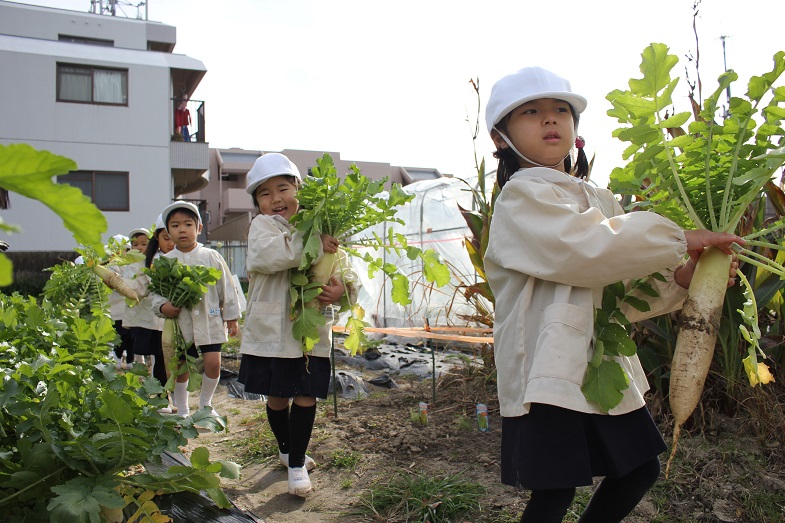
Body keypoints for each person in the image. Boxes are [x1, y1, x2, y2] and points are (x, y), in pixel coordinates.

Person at [482, 66, 744, 523]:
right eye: (531, 112)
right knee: (555, 492)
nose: (550, 119)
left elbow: (620, 287)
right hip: (546, 366)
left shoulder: (599, 199)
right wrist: (679, 238)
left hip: (599, 360)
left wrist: (684, 279)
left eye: (560, 110)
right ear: (501, 138)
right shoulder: (521, 198)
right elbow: (588, 250)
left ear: (575, 128)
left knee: (639, 469)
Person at [237, 153, 358, 497]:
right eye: (265, 194)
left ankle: (296, 464)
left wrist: (342, 291)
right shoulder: (262, 228)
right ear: (258, 203)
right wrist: (315, 241)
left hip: (311, 329)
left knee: (306, 395)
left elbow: (345, 271)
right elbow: (275, 256)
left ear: (299, 191)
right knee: (277, 397)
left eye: (283, 189)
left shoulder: (322, 229)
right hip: (273, 332)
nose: (275, 199)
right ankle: (286, 448)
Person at [151, 201, 240, 418]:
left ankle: (205, 405)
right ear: (167, 231)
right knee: (181, 367)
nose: (182, 230)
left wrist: (232, 316)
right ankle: (183, 409)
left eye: (188, 224)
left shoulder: (211, 256)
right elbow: (155, 293)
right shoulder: (165, 262)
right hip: (180, 325)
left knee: (213, 364)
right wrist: (163, 307)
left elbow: (227, 288)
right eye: (175, 226)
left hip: (210, 320)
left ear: (199, 228)